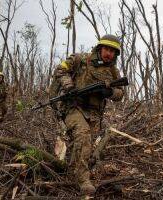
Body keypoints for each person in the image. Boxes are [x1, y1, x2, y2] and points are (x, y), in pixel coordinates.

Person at [52, 34, 125, 196]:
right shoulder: (80, 59)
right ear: (100, 48)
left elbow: (120, 94)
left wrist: (110, 92)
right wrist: (68, 85)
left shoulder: (113, 71)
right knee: (82, 136)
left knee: (85, 147)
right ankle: (83, 180)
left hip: (94, 114)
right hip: (73, 107)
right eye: (106, 49)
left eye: (113, 51)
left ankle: (72, 172)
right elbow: (60, 70)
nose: (109, 54)